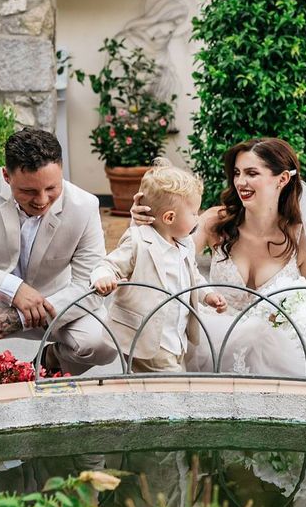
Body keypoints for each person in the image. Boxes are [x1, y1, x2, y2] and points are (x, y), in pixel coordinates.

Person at [133, 138, 306, 381]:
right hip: (209, 344)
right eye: (237, 173)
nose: (240, 182)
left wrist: (289, 316)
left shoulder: (303, 237)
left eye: (252, 173)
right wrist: (150, 221)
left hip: (277, 357)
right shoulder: (216, 222)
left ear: (282, 179)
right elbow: (162, 258)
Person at [0, 128, 117, 375]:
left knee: (103, 342)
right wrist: (12, 288)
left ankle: (50, 360)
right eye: (29, 191)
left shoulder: (85, 206)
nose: (42, 200)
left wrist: (20, 316)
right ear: (6, 176)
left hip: (53, 305)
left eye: (52, 188)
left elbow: (88, 288)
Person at [90, 159, 227, 373]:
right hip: (147, 338)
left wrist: (207, 294)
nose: (198, 218)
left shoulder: (185, 243)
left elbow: (193, 277)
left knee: (158, 390)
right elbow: (109, 264)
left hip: (176, 337)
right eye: (193, 213)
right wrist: (103, 277)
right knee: (171, 387)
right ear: (169, 217)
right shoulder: (138, 240)